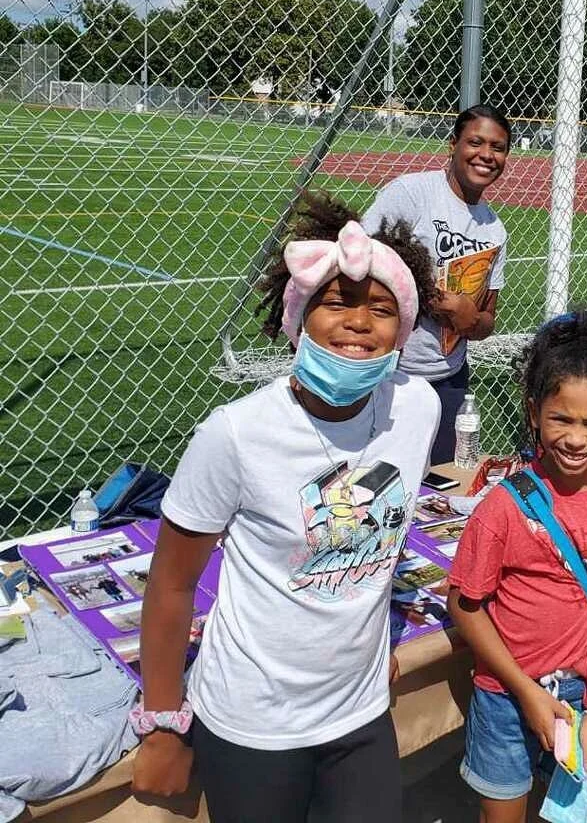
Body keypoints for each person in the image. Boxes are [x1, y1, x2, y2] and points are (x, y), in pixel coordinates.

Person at [132, 193, 440, 823]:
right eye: (337, 302)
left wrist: (367, 647)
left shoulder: (419, 408)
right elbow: (170, 583)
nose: (359, 321)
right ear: (296, 319)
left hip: (358, 713)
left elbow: (376, 550)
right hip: (252, 721)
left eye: (381, 310)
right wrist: (162, 723)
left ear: (402, 331)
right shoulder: (236, 433)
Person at [446, 310, 587, 823]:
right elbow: (465, 603)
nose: (575, 437)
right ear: (533, 413)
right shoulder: (503, 506)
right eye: (561, 419)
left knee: (569, 815)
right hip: (505, 695)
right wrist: (524, 692)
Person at [361, 104, 511, 464]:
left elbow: (488, 319)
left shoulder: (494, 230)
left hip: (450, 376)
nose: (486, 155)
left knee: (440, 479)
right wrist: (437, 301)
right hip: (390, 372)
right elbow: (361, 263)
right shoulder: (412, 194)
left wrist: (469, 320)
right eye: (476, 142)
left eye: (498, 147)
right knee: (377, 475)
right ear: (453, 145)